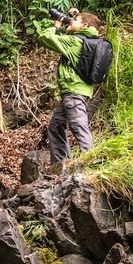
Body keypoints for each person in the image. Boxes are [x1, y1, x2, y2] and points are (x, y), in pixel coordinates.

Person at [37, 9, 106, 163]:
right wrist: (75, 15)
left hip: (73, 91)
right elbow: (81, 22)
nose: (71, 21)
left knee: (78, 124)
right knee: (55, 126)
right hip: (80, 90)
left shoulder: (75, 42)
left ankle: (91, 159)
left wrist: (57, 25)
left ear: (84, 25)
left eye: (75, 20)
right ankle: (62, 164)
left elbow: (45, 37)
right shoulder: (90, 40)